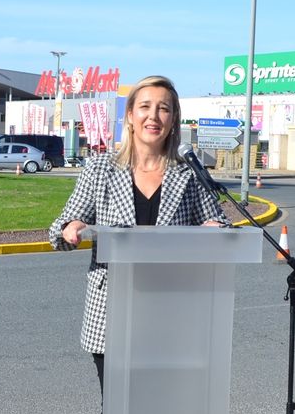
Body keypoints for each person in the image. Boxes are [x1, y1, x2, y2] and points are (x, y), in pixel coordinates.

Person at [49, 75, 227, 392]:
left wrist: (214, 230)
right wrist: (71, 228)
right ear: (130, 115)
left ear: (173, 120)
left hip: (171, 312)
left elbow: (220, 225)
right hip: (112, 313)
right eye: (145, 107)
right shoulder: (100, 168)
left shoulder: (188, 173)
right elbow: (62, 226)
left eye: (164, 109)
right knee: (116, 409)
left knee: (164, 405)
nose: (153, 116)